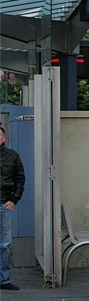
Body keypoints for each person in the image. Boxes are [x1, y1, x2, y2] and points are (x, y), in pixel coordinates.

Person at [0, 124, 26, 291]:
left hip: (4, 204)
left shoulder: (13, 156)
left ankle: (4, 280)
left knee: (4, 244)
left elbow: (20, 179)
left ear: (4, 138)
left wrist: (14, 199)